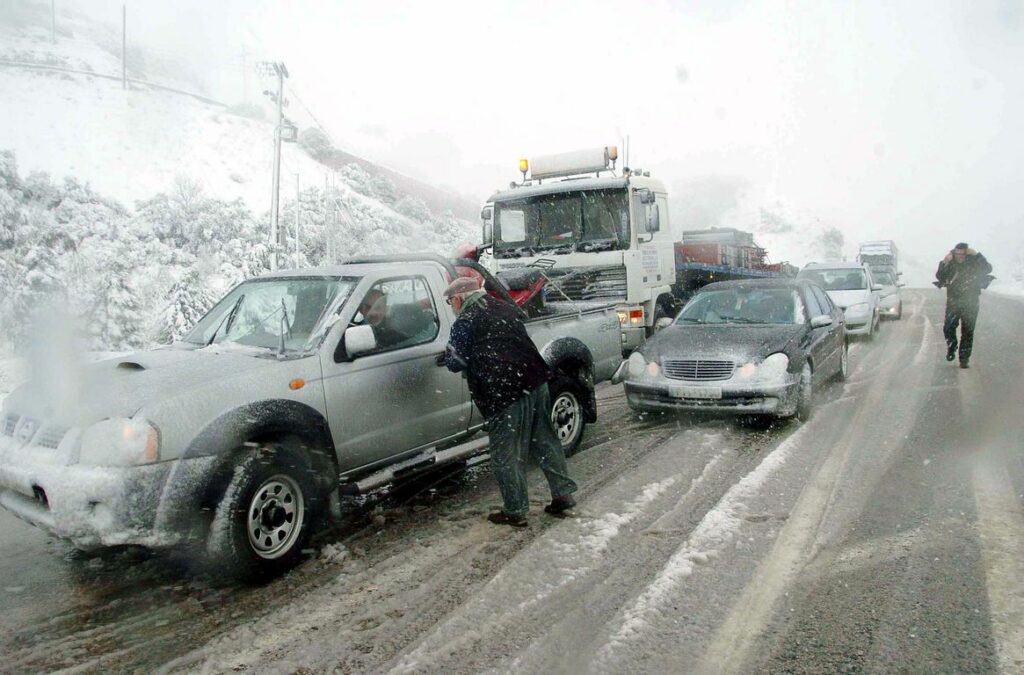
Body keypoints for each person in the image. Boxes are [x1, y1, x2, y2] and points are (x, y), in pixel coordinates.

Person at [443, 275, 577, 528]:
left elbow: (455, 362)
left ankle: (515, 511)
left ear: (460, 298)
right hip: (535, 381)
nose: (452, 306)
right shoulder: (505, 307)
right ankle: (563, 494)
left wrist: (448, 355)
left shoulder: (467, 320)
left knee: (506, 453)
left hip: (504, 390)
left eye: (451, 301)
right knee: (545, 439)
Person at [934, 242, 993, 368]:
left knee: (968, 331)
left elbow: (987, 268)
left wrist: (977, 255)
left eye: (963, 254)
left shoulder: (973, 261)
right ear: (954, 253)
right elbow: (940, 275)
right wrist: (945, 261)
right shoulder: (950, 263)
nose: (960, 256)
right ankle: (952, 346)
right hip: (953, 301)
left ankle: (964, 358)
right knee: (948, 327)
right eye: (957, 254)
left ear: (967, 253)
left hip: (971, 301)